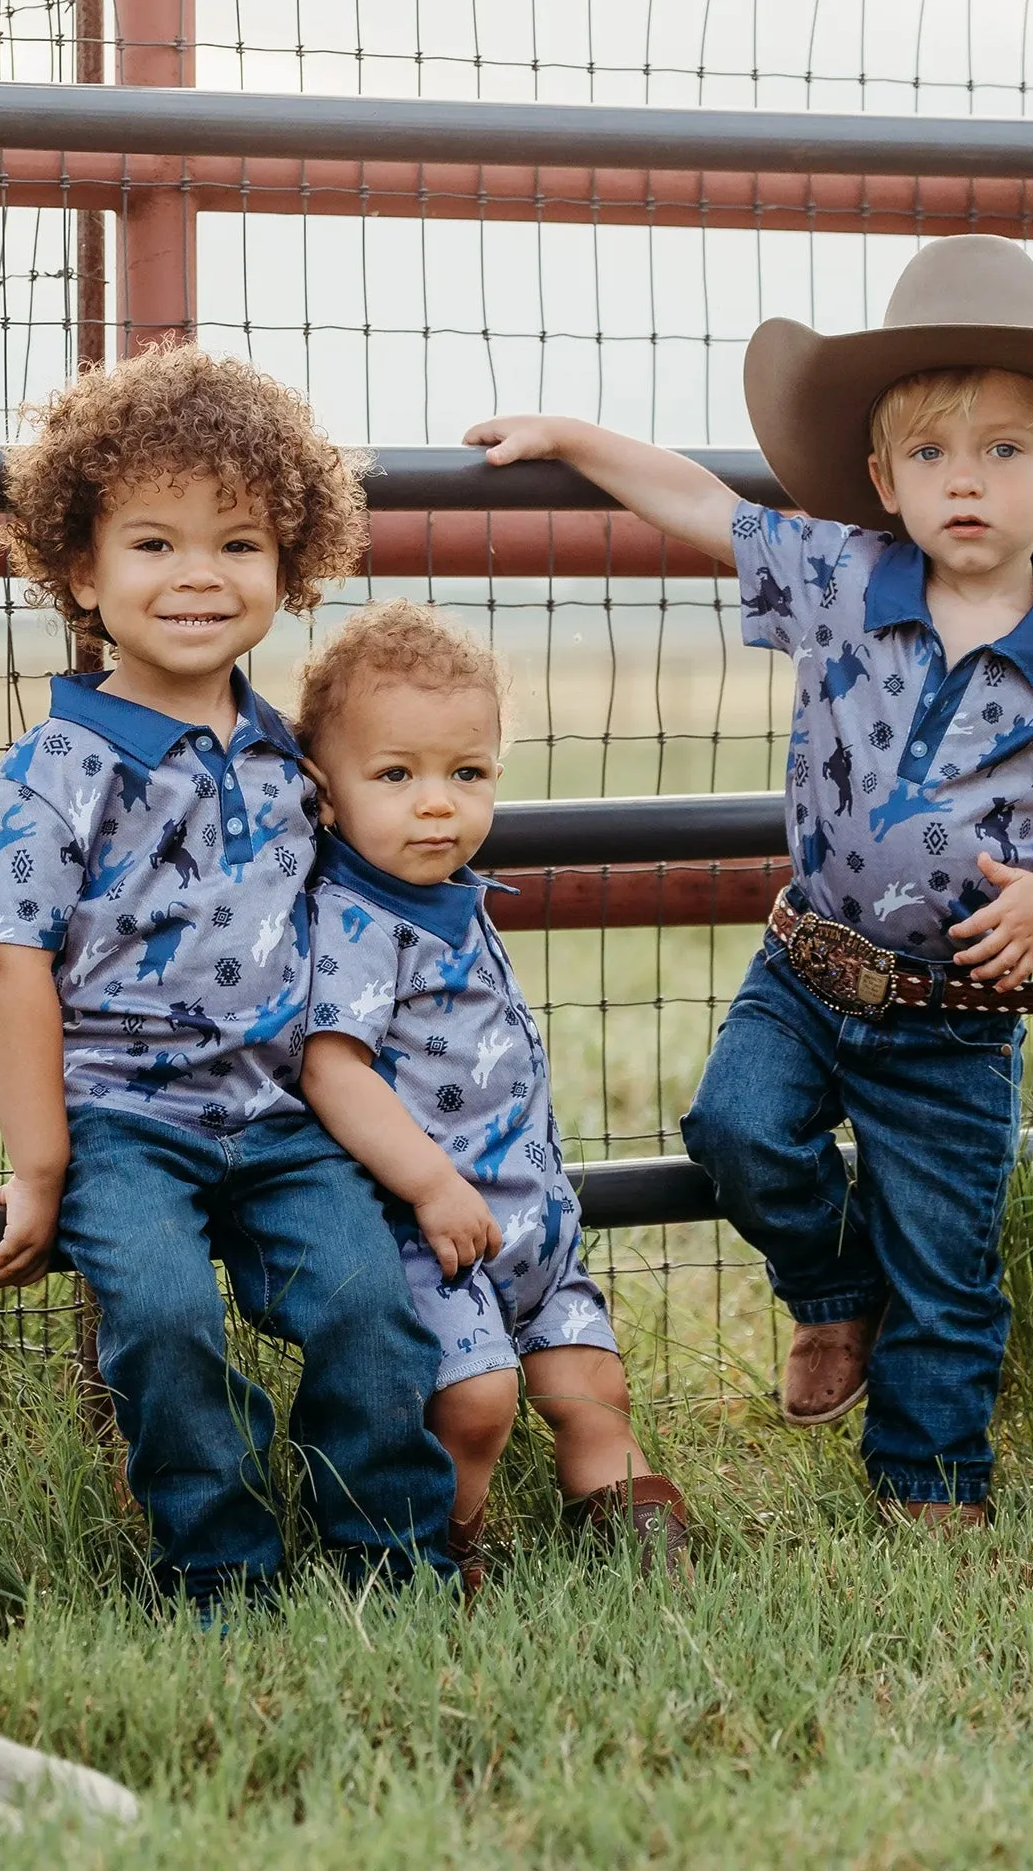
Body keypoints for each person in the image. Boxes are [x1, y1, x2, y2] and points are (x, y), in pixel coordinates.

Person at [466, 234, 1033, 1526]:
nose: (963, 481)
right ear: (883, 478)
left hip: (958, 1022)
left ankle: (931, 1490)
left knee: (949, 1261)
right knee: (738, 1130)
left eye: (1003, 450)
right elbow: (704, 506)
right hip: (808, 970)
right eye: (929, 455)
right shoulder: (842, 578)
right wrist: (578, 435)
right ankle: (828, 1288)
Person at [0, 345, 456, 1610]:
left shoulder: (292, 757)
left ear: (289, 568)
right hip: (124, 1125)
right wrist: (40, 1163)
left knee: (363, 1301)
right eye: (152, 544)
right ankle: (221, 1568)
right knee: (166, 1320)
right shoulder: (50, 773)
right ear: (79, 567)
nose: (197, 576)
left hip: (284, 1114)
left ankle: (393, 1559)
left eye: (237, 544)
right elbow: (11, 968)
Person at [295, 600, 691, 1588]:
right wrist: (429, 1185)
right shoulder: (353, 917)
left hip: (533, 1224)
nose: (438, 804)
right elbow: (329, 1065)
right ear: (326, 792)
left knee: (592, 1384)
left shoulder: (455, 891)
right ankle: (446, 1548)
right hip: (431, 1228)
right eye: (396, 775)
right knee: (474, 1401)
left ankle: (641, 1550)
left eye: (465, 773)